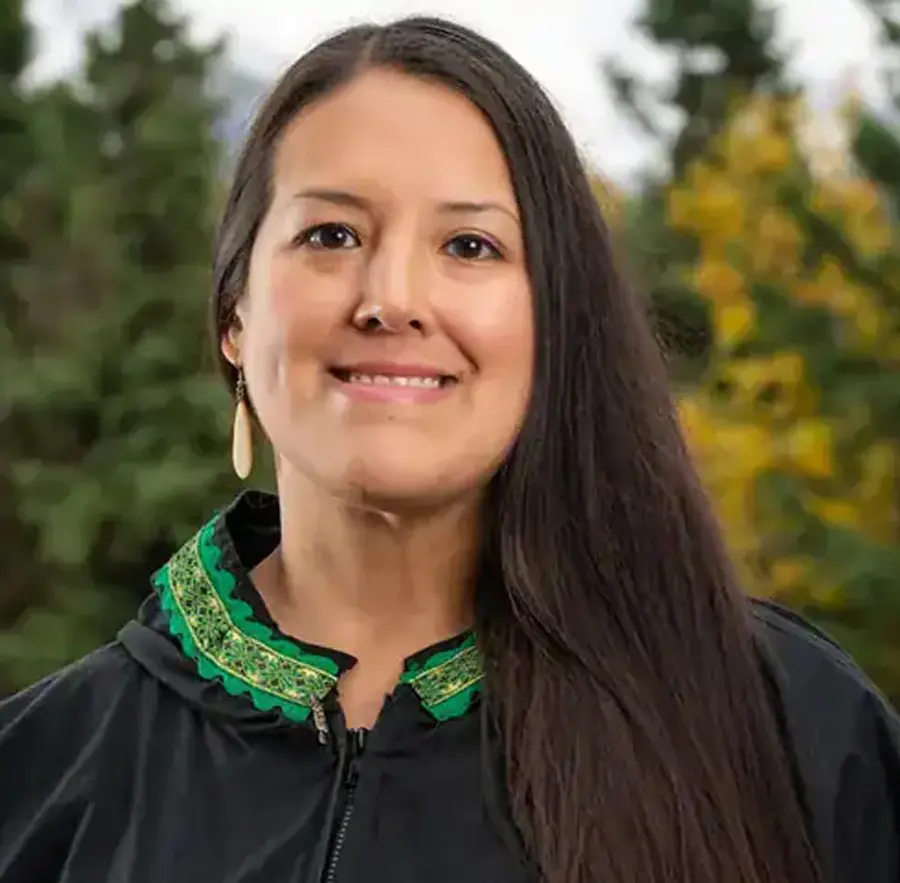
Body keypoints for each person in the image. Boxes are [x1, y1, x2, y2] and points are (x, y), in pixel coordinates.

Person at [1, 15, 898, 883]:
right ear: (235, 315)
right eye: (332, 235)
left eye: (470, 245)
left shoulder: (789, 727)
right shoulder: (39, 776)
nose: (391, 296)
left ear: (554, 322)